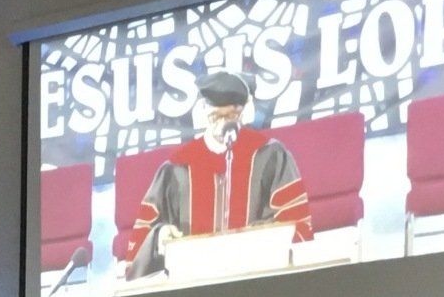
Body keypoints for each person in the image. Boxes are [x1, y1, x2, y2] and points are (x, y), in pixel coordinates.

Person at [123, 71, 312, 281]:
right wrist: (160, 236)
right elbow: (143, 239)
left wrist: (253, 237)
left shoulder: (270, 156)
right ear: (204, 111)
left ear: (243, 113)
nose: (223, 124)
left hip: (258, 279)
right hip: (192, 284)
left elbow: (295, 225)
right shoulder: (176, 168)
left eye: (231, 116)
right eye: (216, 116)